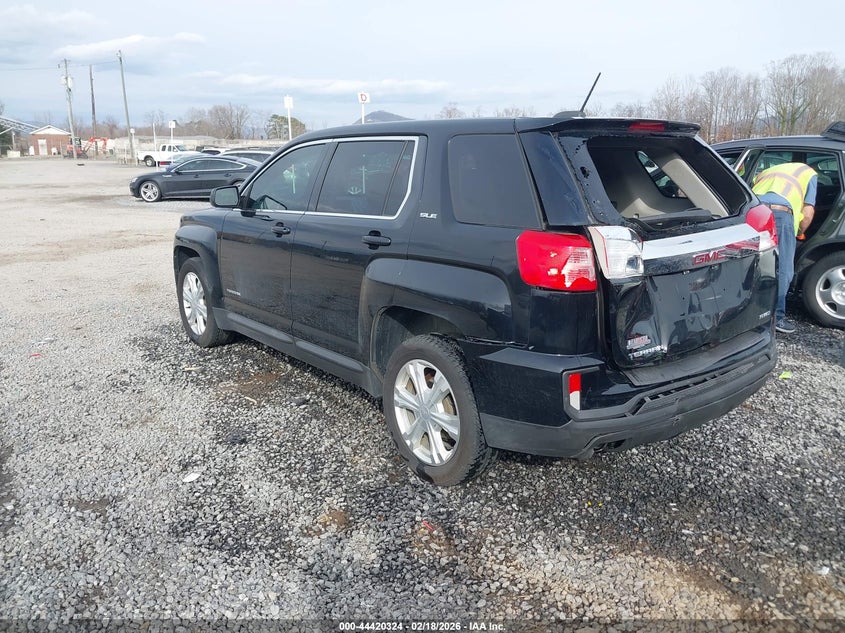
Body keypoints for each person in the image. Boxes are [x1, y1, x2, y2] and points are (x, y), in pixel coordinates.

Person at [751, 162, 817, 334]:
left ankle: (748, 316)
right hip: (780, 215)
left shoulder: (766, 171)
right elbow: (808, 213)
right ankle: (777, 318)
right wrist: (800, 231)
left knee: (753, 263)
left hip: (754, 211)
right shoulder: (809, 173)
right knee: (783, 269)